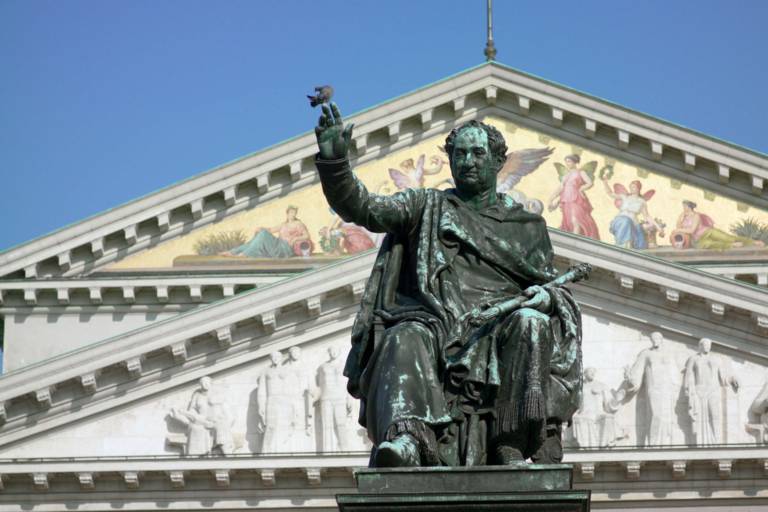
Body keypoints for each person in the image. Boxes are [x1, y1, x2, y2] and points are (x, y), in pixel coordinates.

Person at [313, 103, 583, 467]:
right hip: (436, 320)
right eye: (460, 154)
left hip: (500, 325)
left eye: (477, 153)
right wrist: (335, 166)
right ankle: (408, 439)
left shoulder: (527, 226)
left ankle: (511, 442)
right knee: (404, 333)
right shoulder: (425, 205)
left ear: (497, 161)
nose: (468, 160)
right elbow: (365, 209)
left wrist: (545, 299)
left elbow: (555, 291)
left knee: (532, 323)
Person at [623, 332, 676, 446]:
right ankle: (654, 443)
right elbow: (637, 372)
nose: (654, 340)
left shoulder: (668, 354)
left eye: (657, 338)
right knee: (656, 414)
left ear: (661, 339)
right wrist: (630, 378)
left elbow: (675, 375)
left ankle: (666, 443)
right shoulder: (646, 354)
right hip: (654, 388)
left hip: (667, 389)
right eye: (652, 338)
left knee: (666, 416)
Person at [684, 338, 739, 446]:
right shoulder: (693, 359)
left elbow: (723, 378)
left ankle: (716, 441)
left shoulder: (716, 359)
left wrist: (732, 379)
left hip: (712, 390)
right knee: (698, 417)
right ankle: (699, 442)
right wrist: (688, 390)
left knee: (714, 414)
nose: (707, 346)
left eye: (709, 345)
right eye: (705, 344)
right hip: (698, 391)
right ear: (700, 345)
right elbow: (688, 376)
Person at [670, 200, 763, 250]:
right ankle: (732, 245)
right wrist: (680, 217)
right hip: (697, 240)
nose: (684, 208)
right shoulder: (684, 217)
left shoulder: (696, 216)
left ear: (689, 207)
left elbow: (691, 230)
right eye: (683, 207)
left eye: (685, 206)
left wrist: (679, 230)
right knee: (709, 245)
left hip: (707, 232)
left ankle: (753, 242)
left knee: (728, 238)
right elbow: (678, 227)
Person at [226, 206, 314, 258]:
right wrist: (261, 228)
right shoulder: (283, 224)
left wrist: (295, 239)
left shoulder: (298, 223)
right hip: (278, 244)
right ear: (287, 214)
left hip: (285, 249)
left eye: (294, 213)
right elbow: (271, 230)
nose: (293, 214)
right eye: (291, 212)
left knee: (263, 234)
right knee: (261, 233)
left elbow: (307, 235)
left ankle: (244, 254)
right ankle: (234, 252)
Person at [547, 154, 600, 239]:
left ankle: (575, 239)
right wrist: (551, 199)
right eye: (566, 162)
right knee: (569, 221)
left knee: (576, 219)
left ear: (574, 162)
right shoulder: (566, 176)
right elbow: (560, 188)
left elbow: (590, 183)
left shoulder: (581, 172)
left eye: (569, 161)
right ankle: (573, 237)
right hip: (566, 199)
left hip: (576, 198)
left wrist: (581, 189)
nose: (567, 163)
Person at [601, 178, 660, 249]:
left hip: (634, 225)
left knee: (640, 244)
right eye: (630, 187)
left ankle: (626, 245)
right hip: (620, 221)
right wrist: (605, 183)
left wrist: (658, 227)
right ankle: (622, 245)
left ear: (638, 188)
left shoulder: (642, 201)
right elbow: (610, 194)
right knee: (626, 221)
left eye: (633, 187)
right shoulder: (625, 197)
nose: (631, 189)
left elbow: (647, 216)